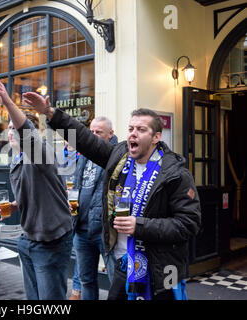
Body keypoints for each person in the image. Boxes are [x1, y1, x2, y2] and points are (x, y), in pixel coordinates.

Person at [23, 92, 201, 300]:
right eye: (131, 128)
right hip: (123, 264)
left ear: (156, 137)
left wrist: (140, 225)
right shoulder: (119, 157)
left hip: (160, 268)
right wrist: (49, 113)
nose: (133, 134)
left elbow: (189, 223)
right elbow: (85, 139)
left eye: (141, 130)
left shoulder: (175, 173)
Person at [0, 74, 73, 300]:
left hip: (51, 241)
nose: (11, 131)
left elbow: (29, 136)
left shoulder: (41, 152)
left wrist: (7, 101)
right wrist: (16, 204)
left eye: (14, 127)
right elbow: (34, 190)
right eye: (8, 128)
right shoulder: (15, 159)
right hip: (27, 238)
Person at [71, 117, 117, 300]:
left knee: (116, 282)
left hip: (104, 231)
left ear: (110, 134)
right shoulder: (84, 154)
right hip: (81, 230)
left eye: (99, 132)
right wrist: (72, 208)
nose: (94, 135)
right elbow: (77, 184)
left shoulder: (115, 154)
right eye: (92, 132)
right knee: (86, 281)